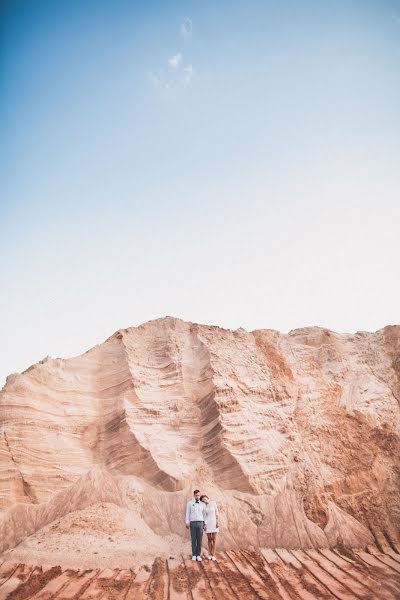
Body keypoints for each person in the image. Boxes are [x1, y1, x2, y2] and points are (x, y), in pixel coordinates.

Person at [185, 489, 206, 561]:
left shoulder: (202, 504)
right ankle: (194, 555)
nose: (197, 496)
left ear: (200, 496)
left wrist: (205, 523)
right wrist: (187, 522)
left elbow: (204, 515)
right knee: (193, 539)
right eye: (196, 495)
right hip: (193, 523)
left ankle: (198, 555)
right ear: (194, 495)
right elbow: (188, 513)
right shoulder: (190, 503)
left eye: (199, 495)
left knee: (199, 539)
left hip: (200, 522)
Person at [200, 494, 219, 561]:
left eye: (205, 499)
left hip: (214, 523)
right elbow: (205, 516)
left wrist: (217, 522)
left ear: (208, 498)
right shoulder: (204, 507)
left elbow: (217, 513)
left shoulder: (213, 503)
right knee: (209, 539)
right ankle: (209, 554)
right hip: (208, 523)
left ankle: (213, 554)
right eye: (203, 500)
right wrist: (205, 525)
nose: (204, 501)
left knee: (214, 539)